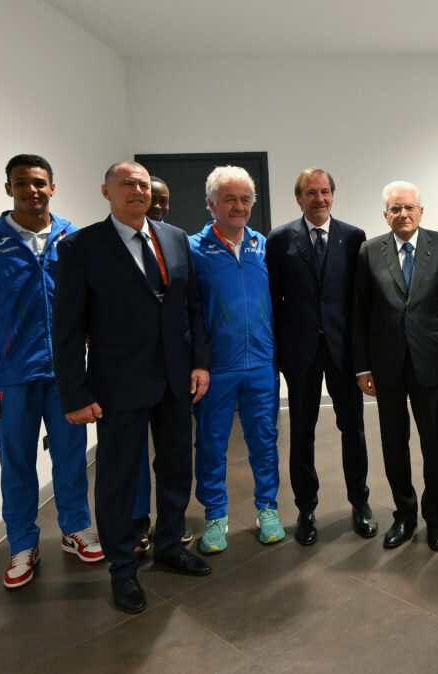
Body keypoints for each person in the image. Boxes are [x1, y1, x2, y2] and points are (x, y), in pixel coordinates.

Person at [53, 161, 212, 614]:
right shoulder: (82, 247)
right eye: (127, 184)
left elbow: (191, 308)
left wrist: (201, 362)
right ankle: (122, 568)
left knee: (177, 466)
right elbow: (65, 329)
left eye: (143, 184)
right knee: (119, 480)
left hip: (176, 380)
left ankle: (169, 544)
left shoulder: (174, 238)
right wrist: (76, 393)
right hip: (117, 385)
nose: (137, 191)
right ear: (106, 191)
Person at [0, 154, 103, 589]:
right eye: (22, 183)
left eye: (40, 182)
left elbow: (95, 303)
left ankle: (76, 529)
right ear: (9, 189)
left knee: (72, 456)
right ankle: (22, 543)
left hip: (66, 375)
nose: (32, 190)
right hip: (11, 378)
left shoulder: (74, 239)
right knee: (16, 464)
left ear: (53, 188)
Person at [266, 168, 376, 545]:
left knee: (354, 431)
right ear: (298, 198)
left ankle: (360, 503)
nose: (319, 199)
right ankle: (305, 509)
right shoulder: (280, 240)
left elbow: (361, 304)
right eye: (311, 193)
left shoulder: (354, 237)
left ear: (333, 195)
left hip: (344, 352)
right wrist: (280, 351)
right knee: (302, 433)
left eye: (325, 192)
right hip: (300, 353)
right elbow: (273, 301)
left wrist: (364, 356)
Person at [352, 181, 438, 551]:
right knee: (394, 445)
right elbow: (359, 313)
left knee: (434, 445)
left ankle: (435, 519)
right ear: (386, 215)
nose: (403, 214)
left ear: (421, 210)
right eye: (395, 209)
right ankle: (405, 515)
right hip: (387, 366)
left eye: (409, 207)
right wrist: (362, 367)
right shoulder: (369, 251)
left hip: (430, 363)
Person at [189, 166, 284, 551]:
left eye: (245, 199)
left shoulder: (265, 245)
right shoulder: (194, 249)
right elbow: (188, 310)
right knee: (211, 444)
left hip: (261, 363)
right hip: (216, 367)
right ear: (212, 203)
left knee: (264, 441)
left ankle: (268, 510)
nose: (239, 206)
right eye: (229, 199)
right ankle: (215, 516)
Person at [130, 175, 193, 553]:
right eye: (154, 197)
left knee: (174, 457)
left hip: (174, 368)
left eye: (163, 200)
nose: (158, 206)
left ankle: (172, 526)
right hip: (130, 370)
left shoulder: (176, 240)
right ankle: (137, 521)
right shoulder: (102, 243)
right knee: (133, 454)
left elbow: (192, 303)